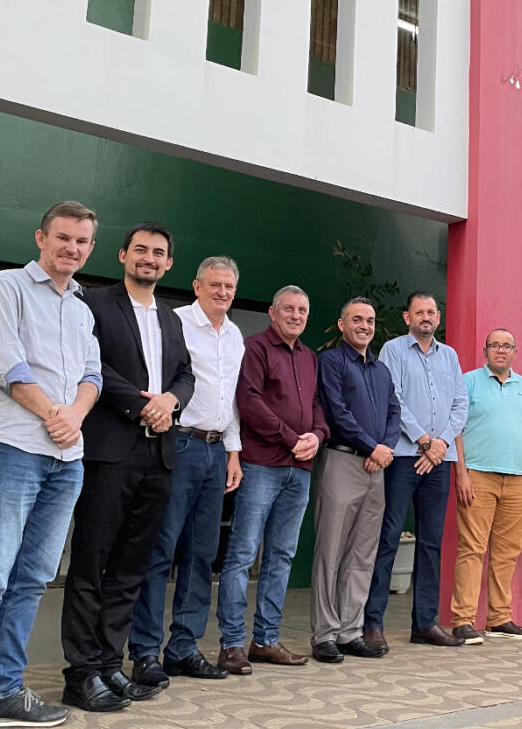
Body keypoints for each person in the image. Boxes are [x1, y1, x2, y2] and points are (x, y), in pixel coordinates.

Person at [0, 201, 101, 729]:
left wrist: (73, 416)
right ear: (41, 238)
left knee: (33, 578)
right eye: (63, 238)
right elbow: (5, 365)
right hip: (12, 448)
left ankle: (6, 689)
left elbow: (92, 375)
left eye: (82, 241)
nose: (72, 248)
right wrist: (55, 414)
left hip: (67, 459)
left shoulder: (81, 308)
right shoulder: (5, 287)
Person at [61, 223, 195, 712]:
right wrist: (143, 405)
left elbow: (186, 375)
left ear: (168, 263)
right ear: (122, 255)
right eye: (141, 250)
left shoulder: (171, 318)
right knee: (92, 564)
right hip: (111, 450)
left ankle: (108, 664)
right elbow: (92, 366)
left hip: (159, 455)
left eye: (158, 253)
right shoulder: (94, 303)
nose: (149, 258)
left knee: (130, 568)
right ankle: (80, 674)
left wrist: (170, 401)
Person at [127, 256, 244, 688]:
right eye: (215, 285)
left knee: (201, 553)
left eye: (229, 286)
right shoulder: (173, 321)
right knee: (161, 549)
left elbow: (232, 399)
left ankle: (183, 647)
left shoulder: (235, 335)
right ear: (197, 286)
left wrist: (233, 451)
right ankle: (145, 651)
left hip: (216, 450)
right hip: (178, 443)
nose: (222, 292)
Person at [216, 285, 329, 673]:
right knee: (242, 554)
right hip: (262, 464)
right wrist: (290, 438)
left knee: (281, 555)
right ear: (273, 312)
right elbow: (249, 401)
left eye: (302, 310)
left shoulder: (310, 357)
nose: (296, 316)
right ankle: (232, 644)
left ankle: (265, 640)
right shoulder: (256, 348)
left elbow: (316, 405)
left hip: (300, 469)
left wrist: (317, 435)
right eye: (289, 309)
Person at [365, 292, 468, 649]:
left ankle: (425, 623)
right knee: (389, 536)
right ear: (407, 317)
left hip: (438, 460)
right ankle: (372, 623)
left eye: (431, 312)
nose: (426, 317)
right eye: (419, 312)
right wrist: (424, 440)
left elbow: (460, 404)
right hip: (404, 457)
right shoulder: (393, 350)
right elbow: (391, 398)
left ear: (438, 317)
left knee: (431, 542)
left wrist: (439, 445)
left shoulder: (450, 355)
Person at [310, 298, 402, 663]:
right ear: (342, 324)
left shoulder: (381, 370)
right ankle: (324, 634)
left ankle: (350, 631)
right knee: (330, 551)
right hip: (342, 460)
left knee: (363, 554)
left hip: (376, 468)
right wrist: (371, 446)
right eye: (357, 320)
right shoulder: (331, 362)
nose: (365, 326)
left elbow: (394, 411)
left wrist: (384, 448)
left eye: (370, 320)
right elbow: (336, 411)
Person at [451, 329, 522, 643]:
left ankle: (499, 618)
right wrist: (461, 473)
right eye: (495, 345)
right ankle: (463, 620)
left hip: (517, 478)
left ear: (515, 352)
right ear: (485, 351)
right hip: (478, 476)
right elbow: (456, 429)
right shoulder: (469, 382)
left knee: (507, 552)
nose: (501, 350)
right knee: (472, 549)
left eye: (507, 346)